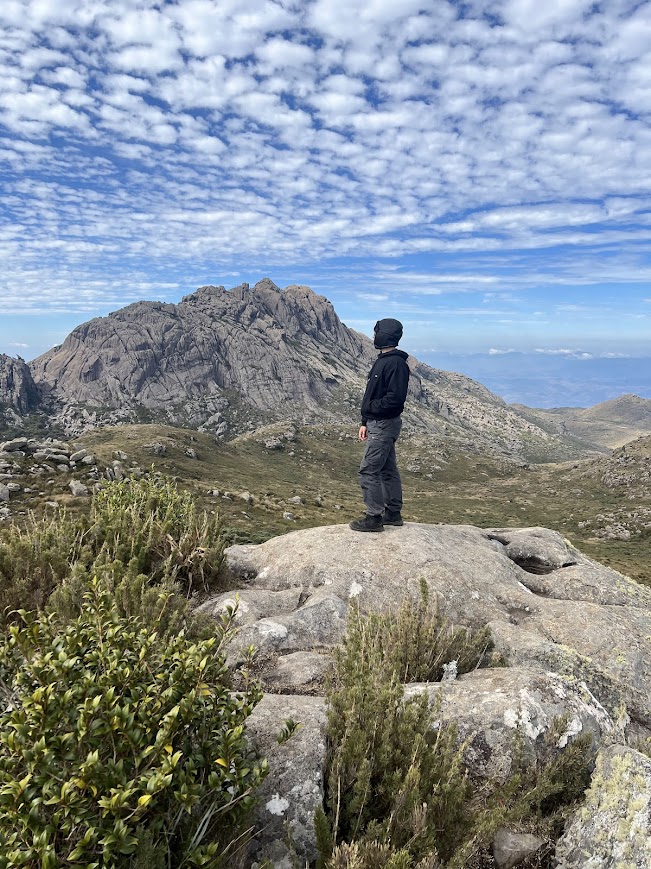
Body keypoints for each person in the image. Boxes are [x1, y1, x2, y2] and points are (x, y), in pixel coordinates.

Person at [349, 318, 410, 532]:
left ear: (385, 334)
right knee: (387, 469)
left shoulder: (395, 364)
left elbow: (395, 399)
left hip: (384, 424)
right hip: (377, 423)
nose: (373, 336)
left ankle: (374, 518)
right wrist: (365, 421)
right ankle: (392, 513)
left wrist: (371, 408)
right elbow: (375, 394)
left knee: (368, 470)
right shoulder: (384, 360)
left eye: (376, 332)